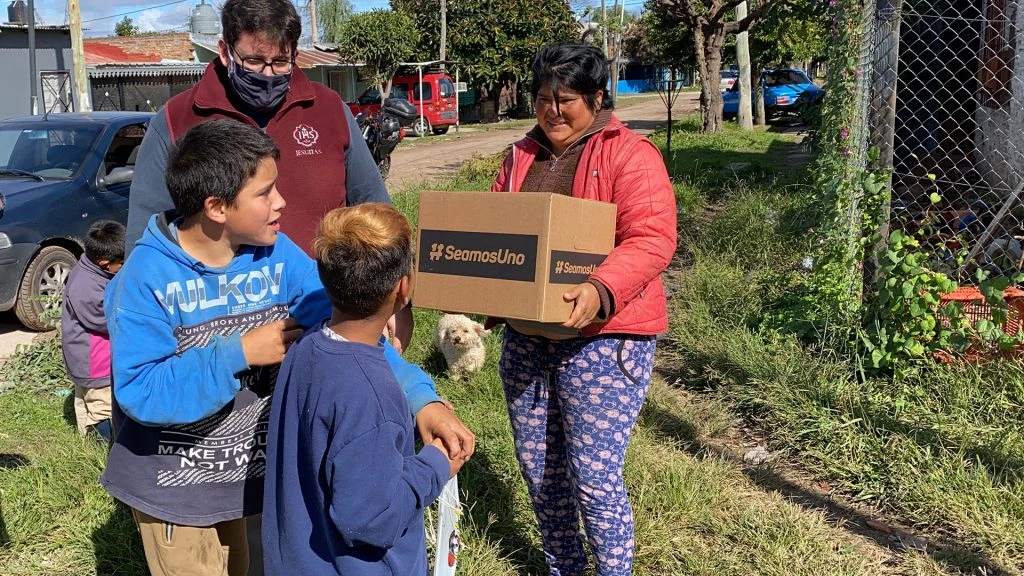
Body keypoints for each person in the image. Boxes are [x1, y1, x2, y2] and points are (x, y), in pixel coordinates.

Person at [100, 120, 464, 576]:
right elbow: (140, 389)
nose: (281, 202)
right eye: (265, 193)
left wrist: (420, 398)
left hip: (247, 482)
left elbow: (354, 332)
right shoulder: (144, 279)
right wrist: (239, 353)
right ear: (216, 207)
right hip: (176, 493)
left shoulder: (276, 255)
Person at [125, 0, 417, 354]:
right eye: (253, 61)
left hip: (329, 318)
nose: (267, 75)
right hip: (217, 337)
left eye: (280, 62)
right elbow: (145, 242)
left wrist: (394, 300)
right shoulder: (177, 119)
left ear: (295, 54)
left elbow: (375, 208)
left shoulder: (329, 110)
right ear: (224, 51)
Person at [489, 43, 677, 576]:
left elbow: (652, 238)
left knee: (594, 478)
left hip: (602, 340)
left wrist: (599, 288)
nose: (552, 111)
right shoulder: (520, 156)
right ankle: (564, 568)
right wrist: (479, 289)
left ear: (597, 98)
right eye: (542, 98)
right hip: (527, 340)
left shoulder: (630, 155)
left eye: (565, 99)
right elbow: (493, 230)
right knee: (540, 473)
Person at [263, 203, 463, 575]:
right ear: (403, 287)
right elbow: (371, 521)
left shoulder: (306, 347)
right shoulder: (372, 395)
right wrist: (435, 463)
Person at [60, 219, 125, 441]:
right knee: (103, 409)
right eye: (122, 264)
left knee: (85, 401)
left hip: (83, 358)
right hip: (95, 362)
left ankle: (85, 441)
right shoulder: (86, 286)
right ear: (105, 263)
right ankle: (103, 447)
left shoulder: (88, 268)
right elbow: (106, 321)